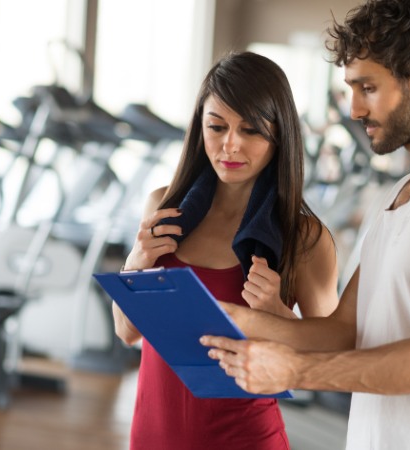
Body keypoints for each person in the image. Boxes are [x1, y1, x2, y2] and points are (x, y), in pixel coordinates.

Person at [201, 1, 410, 448]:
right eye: (351, 88)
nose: (355, 109)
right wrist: (235, 320)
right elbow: (346, 330)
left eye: (368, 87)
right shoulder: (400, 195)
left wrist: (295, 372)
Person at [113, 51, 339, 450]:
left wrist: (279, 316)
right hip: (152, 435)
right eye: (216, 127)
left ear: (278, 135)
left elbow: (332, 357)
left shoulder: (305, 237)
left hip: (246, 438)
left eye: (250, 130)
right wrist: (137, 261)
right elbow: (126, 332)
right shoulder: (163, 208)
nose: (230, 145)